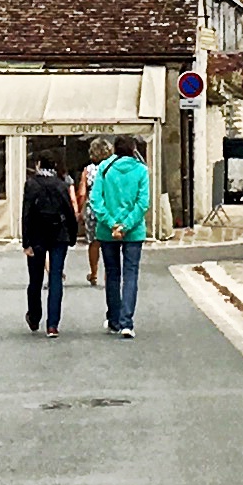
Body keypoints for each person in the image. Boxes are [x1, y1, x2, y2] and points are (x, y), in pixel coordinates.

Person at [90, 132, 152, 338]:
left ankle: (114, 319)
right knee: (131, 273)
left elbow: (96, 199)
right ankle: (127, 322)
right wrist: (126, 225)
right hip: (134, 231)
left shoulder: (105, 168)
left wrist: (111, 223)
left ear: (115, 149)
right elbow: (142, 203)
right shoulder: (141, 170)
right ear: (133, 150)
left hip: (107, 231)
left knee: (112, 273)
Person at [20, 149, 78, 337]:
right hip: (59, 234)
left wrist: (26, 241)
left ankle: (34, 316)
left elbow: (26, 213)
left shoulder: (31, 184)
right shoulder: (60, 185)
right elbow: (69, 211)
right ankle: (52, 324)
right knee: (55, 277)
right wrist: (73, 235)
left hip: (37, 235)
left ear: (38, 164)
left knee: (35, 278)